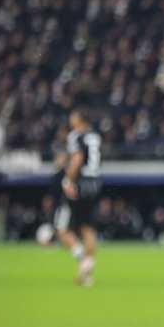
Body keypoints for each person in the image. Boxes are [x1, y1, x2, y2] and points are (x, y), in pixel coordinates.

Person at [55, 107, 103, 286]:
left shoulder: (76, 135)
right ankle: (87, 276)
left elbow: (77, 159)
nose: (70, 119)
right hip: (95, 183)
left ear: (80, 119)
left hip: (79, 183)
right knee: (87, 228)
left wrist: (68, 180)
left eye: (73, 116)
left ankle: (83, 259)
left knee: (61, 229)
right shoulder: (95, 136)